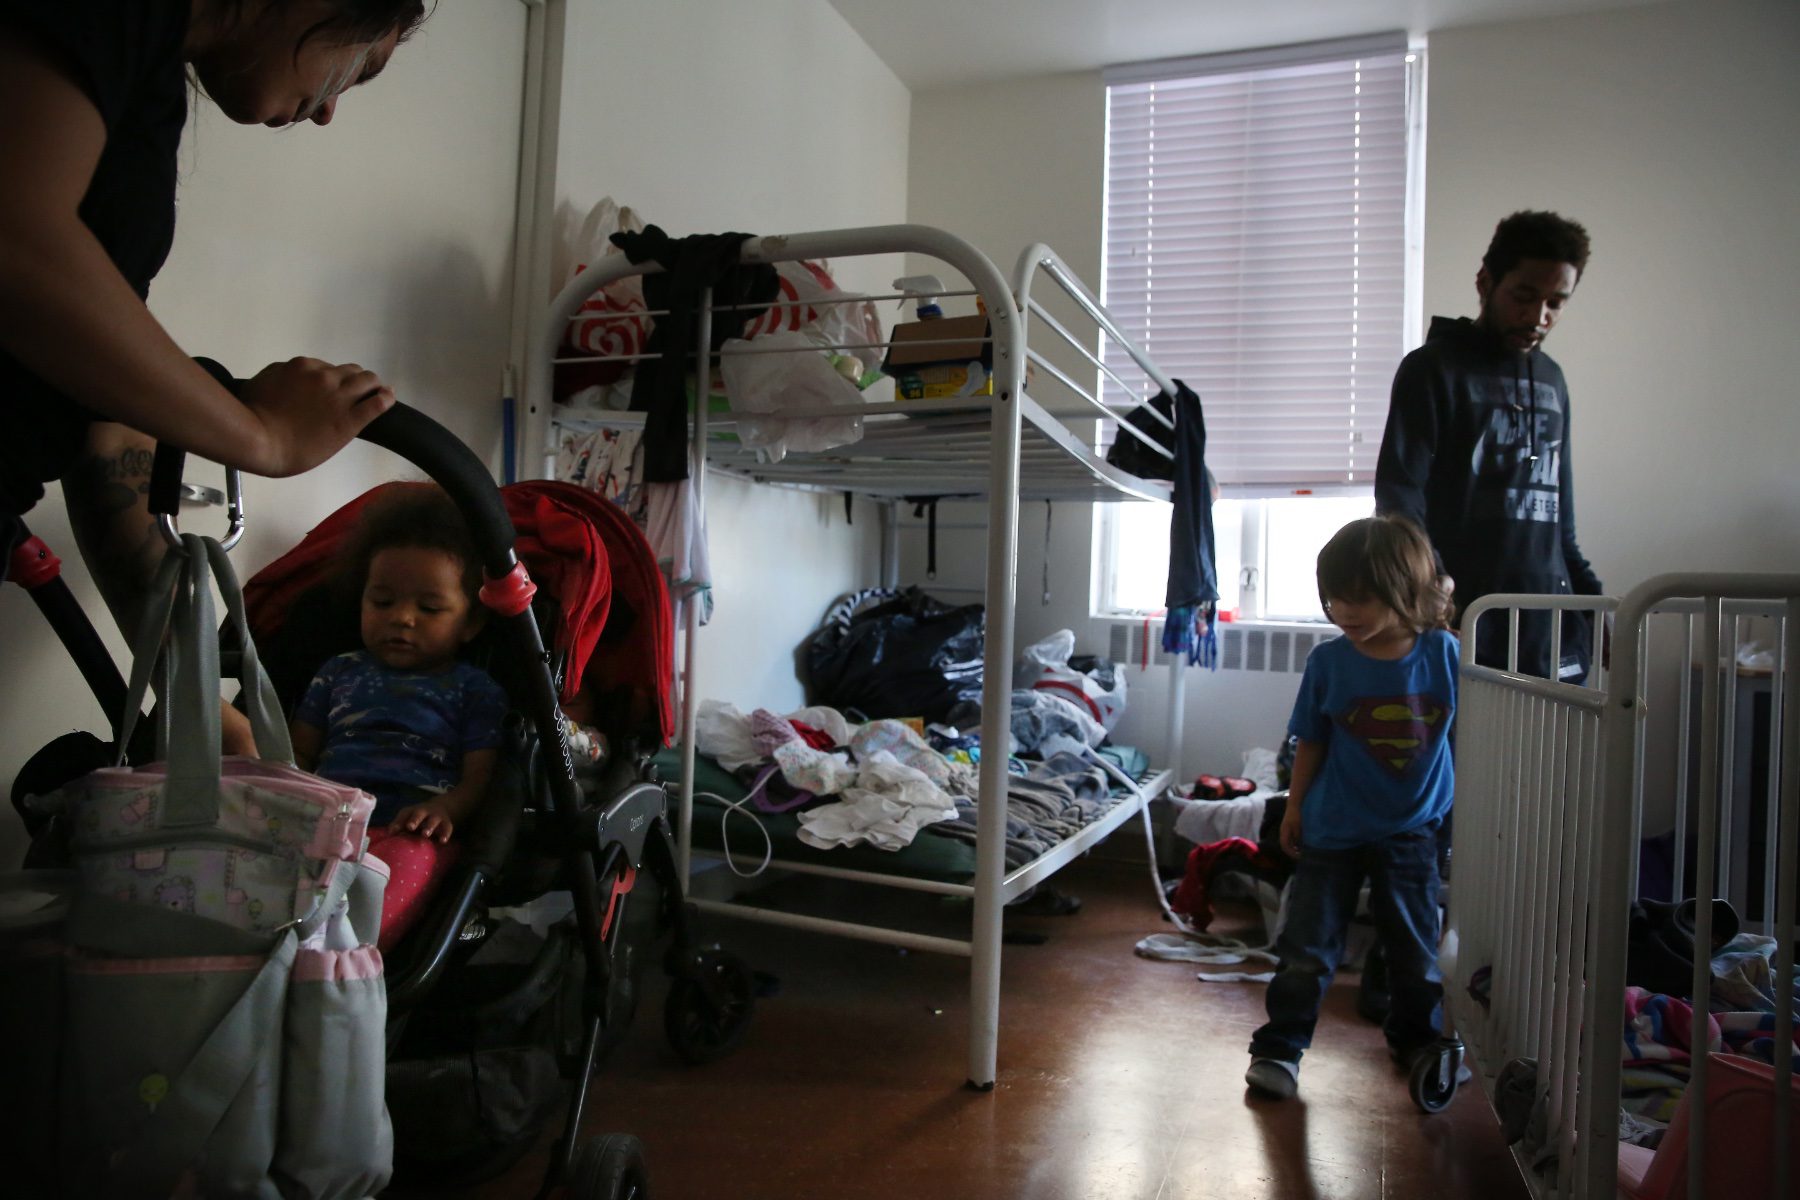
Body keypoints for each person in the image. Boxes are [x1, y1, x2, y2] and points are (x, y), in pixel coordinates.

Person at [0, 0, 430, 749]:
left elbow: (103, 403)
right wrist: (259, 438)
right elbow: (15, 238)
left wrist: (199, 694)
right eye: (360, 64)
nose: (328, 110)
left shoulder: (146, 79)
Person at [1244, 515, 1458, 1100]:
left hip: (1412, 831)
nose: (1344, 611)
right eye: (1334, 599)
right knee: (1307, 951)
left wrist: (1438, 601)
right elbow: (1310, 740)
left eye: (1360, 599)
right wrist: (1294, 809)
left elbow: (1478, 725)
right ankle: (1281, 1048)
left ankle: (1416, 1043)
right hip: (1333, 829)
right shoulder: (1329, 662)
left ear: (1401, 591)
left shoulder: (1444, 655)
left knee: (1415, 952)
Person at [1375, 210, 1602, 681]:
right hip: (1460, 619)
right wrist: (1431, 584)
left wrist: (1597, 613)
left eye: (1555, 303)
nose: (1538, 316)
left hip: (1548, 629)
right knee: (1461, 754)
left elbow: (1561, 522)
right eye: (1524, 296)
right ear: (1485, 282)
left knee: (1546, 757)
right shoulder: (1433, 370)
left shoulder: (1553, 380)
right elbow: (1399, 497)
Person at [289, 485, 508, 950]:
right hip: (328, 821)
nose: (402, 618)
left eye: (428, 608)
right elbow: (300, 753)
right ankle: (286, 946)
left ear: (471, 622)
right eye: (382, 602)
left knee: (404, 868)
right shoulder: (337, 672)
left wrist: (444, 809)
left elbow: (478, 779)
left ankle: (342, 959)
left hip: (411, 829)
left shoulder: (474, 690)